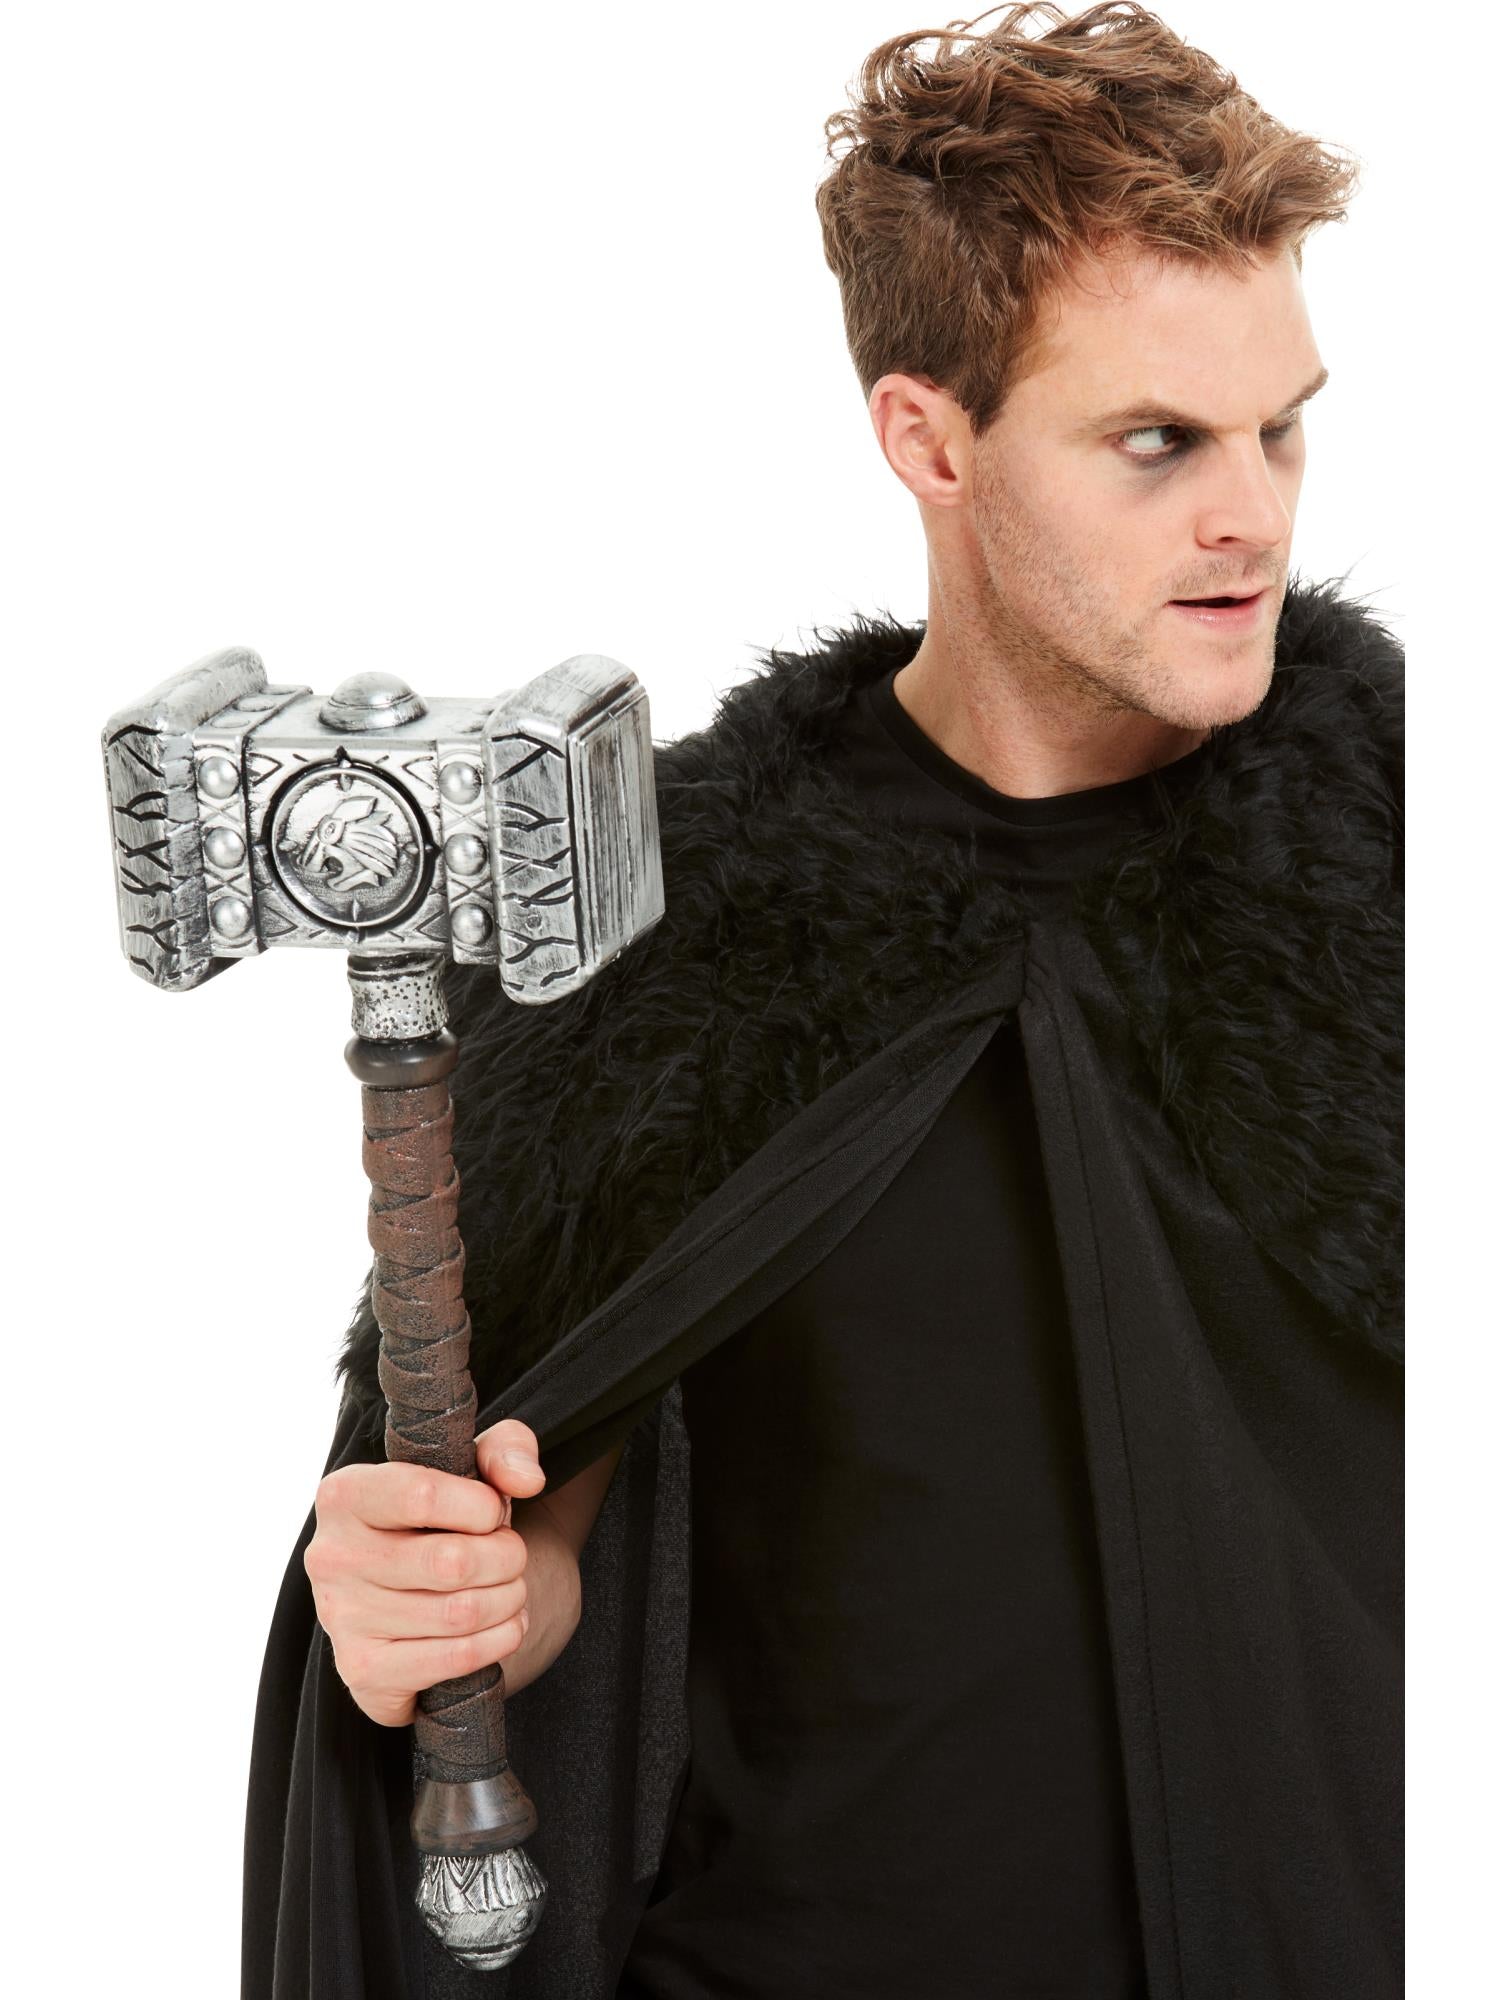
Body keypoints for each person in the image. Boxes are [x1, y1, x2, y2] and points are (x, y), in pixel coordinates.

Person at [249, 6, 1402, 1996]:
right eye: (1158, 442)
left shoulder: (1406, 869)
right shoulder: (659, 939)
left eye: (1280, 426)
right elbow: (532, 1550)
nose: (1255, 518)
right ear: (928, 441)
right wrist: (439, 1608)